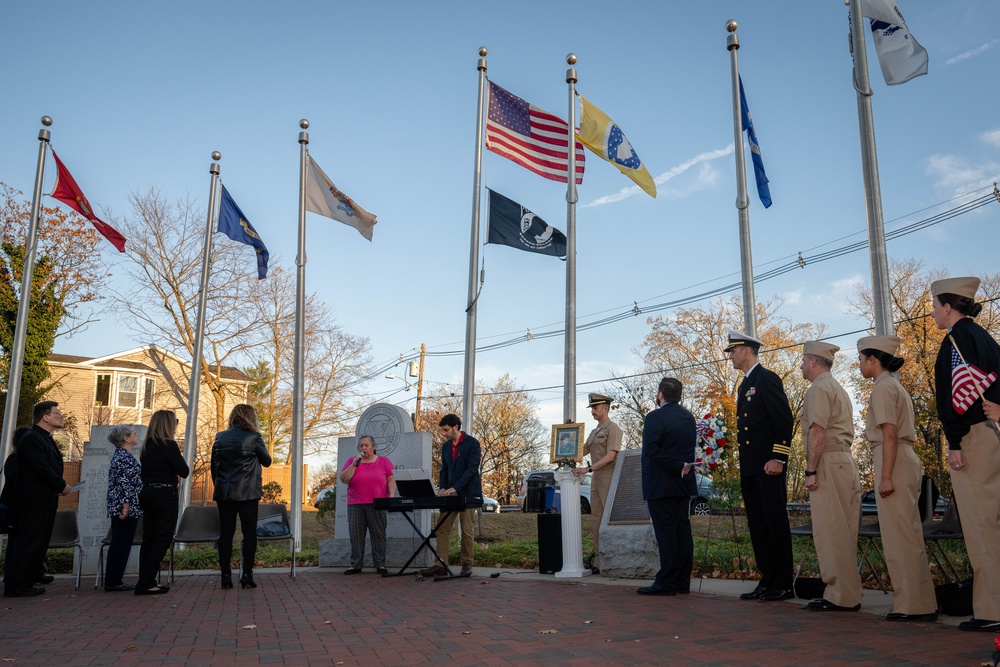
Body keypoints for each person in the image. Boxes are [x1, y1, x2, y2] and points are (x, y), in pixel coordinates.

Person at [930, 276, 1000, 632]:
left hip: (973, 439)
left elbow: (951, 401)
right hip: (991, 436)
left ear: (947, 306)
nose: (932, 313)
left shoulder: (956, 340)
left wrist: (954, 443)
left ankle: (992, 610)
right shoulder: (984, 337)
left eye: (934, 305)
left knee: (981, 525)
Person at [857, 334, 938, 622]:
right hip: (901, 456)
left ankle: (911, 605)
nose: (859, 364)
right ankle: (920, 602)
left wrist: (886, 476)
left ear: (873, 360)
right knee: (907, 532)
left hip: (894, 459)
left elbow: (889, 433)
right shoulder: (894, 386)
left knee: (898, 535)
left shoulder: (883, 389)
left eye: (861, 358)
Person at [725, 331, 795, 602]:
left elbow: (784, 421)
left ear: (746, 350)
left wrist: (778, 458)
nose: (730, 356)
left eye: (733, 350)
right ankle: (768, 579)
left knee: (774, 522)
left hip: (769, 466)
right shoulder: (745, 385)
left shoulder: (766, 379)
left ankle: (783, 583)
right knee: (758, 524)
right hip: (751, 467)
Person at [799, 341, 862, 612]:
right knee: (845, 531)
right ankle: (847, 593)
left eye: (803, 361)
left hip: (828, 461)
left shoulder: (818, 389)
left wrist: (811, 470)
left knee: (829, 530)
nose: (800, 366)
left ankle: (840, 595)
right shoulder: (838, 388)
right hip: (845, 460)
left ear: (813, 362)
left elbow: (817, 431)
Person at [2, 402, 72, 598]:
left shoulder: (44, 438)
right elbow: (40, 468)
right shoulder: (32, 438)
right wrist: (60, 485)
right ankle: (16, 585)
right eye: (57, 413)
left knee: (38, 543)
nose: (61, 416)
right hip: (31, 503)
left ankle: (28, 579)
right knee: (27, 543)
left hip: (44, 500)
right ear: (45, 417)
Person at [637, 377, 697, 596]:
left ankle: (667, 581)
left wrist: (677, 465)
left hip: (661, 484)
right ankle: (682, 580)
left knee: (667, 534)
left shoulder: (654, 417)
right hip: (682, 483)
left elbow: (651, 450)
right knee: (682, 531)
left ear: (660, 394)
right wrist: (682, 467)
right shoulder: (689, 417)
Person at [211, 404, 272, 590]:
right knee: (249, 534)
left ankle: (225, 576)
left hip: (225, 493)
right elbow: (267, 461)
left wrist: (220, 485)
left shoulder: (220, 436)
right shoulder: (254, 437)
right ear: (250, 417)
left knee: (226, 534)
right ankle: (247, 574)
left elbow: (214, 465)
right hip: (247, 493)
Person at [419, 413, 481, 578]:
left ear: (456, 427)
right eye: (443, 430)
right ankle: (440, 564)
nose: (444, 433)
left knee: (467, 529)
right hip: (449, 492)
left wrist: (456, 488)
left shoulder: (472, 443)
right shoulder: (446, 447)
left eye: (446, 430)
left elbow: (472, 470)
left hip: (467, 493)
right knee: (442, 529)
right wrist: (443, 487)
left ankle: (467, 563)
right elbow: (445, 469)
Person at [136, 410, 188, 596]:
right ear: (168, 424)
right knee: (163, 538)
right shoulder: (168, 445)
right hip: (165, 494)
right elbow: (184, 470)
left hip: (148, 493)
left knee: (149, 539)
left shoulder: (147, 445)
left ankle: (145, 580)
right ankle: (146, 582)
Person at [573, 392, 623, 574]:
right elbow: (581, 451)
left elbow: (611, 456)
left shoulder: (613, 429)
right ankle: (598, 562)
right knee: (597, 520)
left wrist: (588, 469)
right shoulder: (595, 432)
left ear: (605, 408)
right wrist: (569, 436)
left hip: (608, 478)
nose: (592, 411)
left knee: (609, 520)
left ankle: (614, 559)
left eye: (595, 408)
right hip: (596, 480)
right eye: (592, 408)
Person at [339, 435, 396, 575]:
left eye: (366, 445)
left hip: (377, 503)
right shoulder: (352, 461)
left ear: (373, 447)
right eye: (361, 446)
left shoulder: (383, 461)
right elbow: (344, 479)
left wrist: (392, 495)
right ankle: (356, 565)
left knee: (378, 534)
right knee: (356, 535)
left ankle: (380, 564)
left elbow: (391, 478)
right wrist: (353, 465)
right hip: (355, 503)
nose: (363, 448)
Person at [104, 425, 143, 592]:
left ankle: (114, 579)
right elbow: (124, 483)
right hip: (125, 507)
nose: (136, 435)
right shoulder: (124, 457)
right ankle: (113, 581)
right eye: (133, 433)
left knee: (121, 542)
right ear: (126, 439)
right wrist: (125, 506)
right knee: (120, 543)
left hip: (124, 505)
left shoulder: (123, 456)